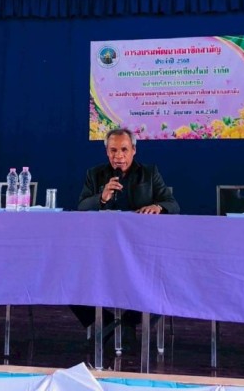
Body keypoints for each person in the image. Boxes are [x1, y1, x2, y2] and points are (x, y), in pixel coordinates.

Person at [73, 127, 179, 355]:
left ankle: (127, 323)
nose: (118, 156)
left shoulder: (149, 173)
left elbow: (172, 204)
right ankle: (111, 324)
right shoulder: (95, 174)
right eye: (113, 150)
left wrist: (158, 206)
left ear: (133, 151)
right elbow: (81, 207)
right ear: (106, 152)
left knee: (165, 279)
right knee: (70, 277)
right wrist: (101, 197)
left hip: (141, 251)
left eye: (124, 150)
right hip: (103, 250)